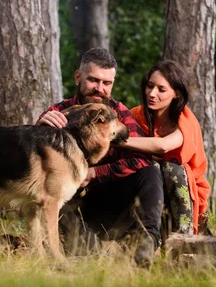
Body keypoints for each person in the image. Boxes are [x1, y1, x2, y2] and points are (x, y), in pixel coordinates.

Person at [36, 48, 163, 268]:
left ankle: (146, 244)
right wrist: (39, 127)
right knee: (88, 256)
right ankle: (95, 257)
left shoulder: (119, 113)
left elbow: (142, 158)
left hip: (109, 200)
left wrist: (95, 173)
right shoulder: (60, 111)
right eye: (93, 80)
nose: (100, 89)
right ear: (78, 77)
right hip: (72, 205)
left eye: (107, 83)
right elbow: (33, 159)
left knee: (150, 171)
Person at [119, 60, 210, 236]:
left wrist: (120, 140)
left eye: (161, 89)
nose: (152, 94)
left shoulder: (186, 121)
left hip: (180, 186)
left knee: (171, 168)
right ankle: (143, 239)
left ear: (176, 94)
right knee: (147, 168)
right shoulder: (136, 115)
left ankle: (184, 240)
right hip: (147, 187)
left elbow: (163, 146)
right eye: (150, 86)